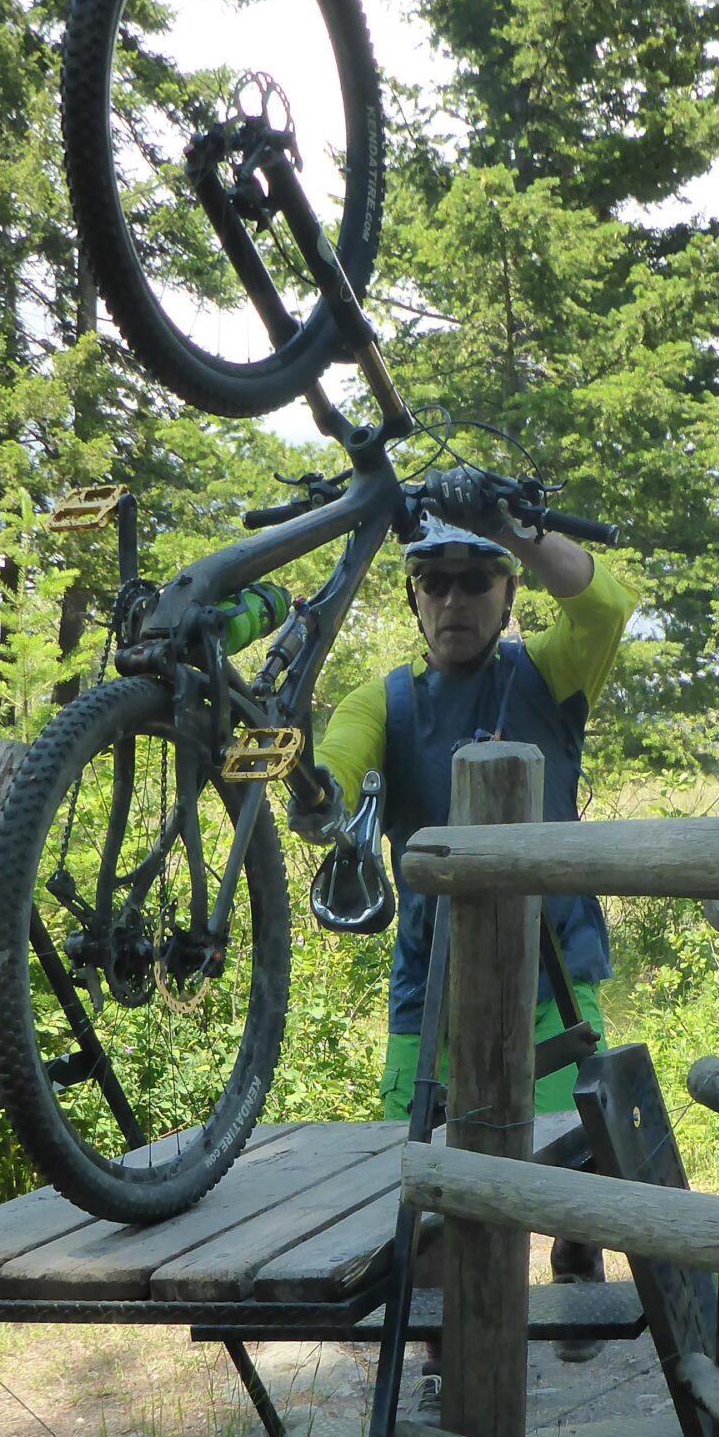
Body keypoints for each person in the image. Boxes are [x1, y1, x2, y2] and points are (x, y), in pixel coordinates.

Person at [303, 470, 637, 1383]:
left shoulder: (549, 673)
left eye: (474, 579)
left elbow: (604, 605)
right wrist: (315, 798)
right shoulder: (385, 702)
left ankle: (575, 1253)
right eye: (434, 582)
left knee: (568, 1147)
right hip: (433, 981)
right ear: (413, 597)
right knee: (428, 1179)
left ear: (506, 593)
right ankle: (447, 1374)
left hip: (550, 968)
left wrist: (515, 526)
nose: (454, 598)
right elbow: (332, 774)